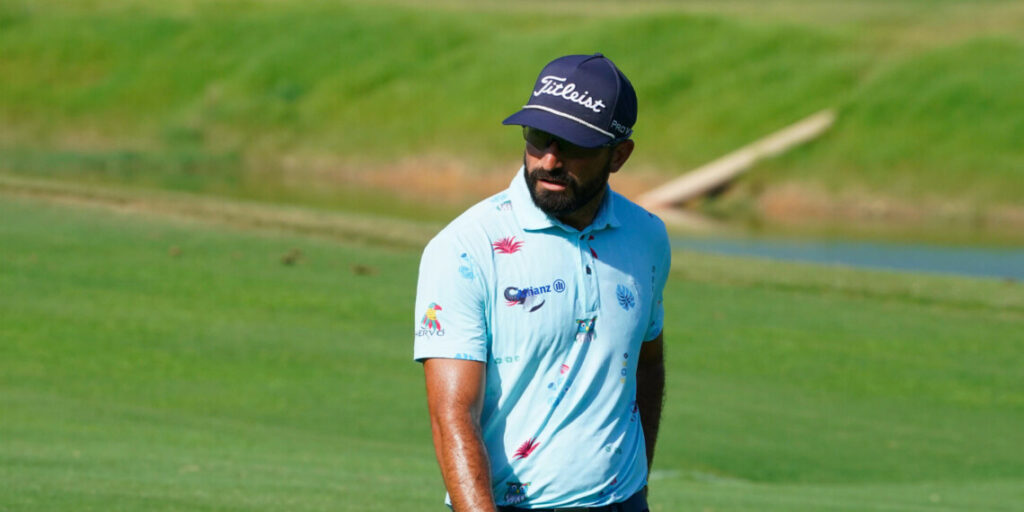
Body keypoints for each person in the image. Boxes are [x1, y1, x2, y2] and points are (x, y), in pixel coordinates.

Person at [413, 53, 670, 512]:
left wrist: (639, 485)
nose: (549, 160)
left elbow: (647, 364)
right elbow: (453, 415)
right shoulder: (465, 247)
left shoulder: (647, 236)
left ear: (619, 155)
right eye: (537, 136)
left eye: (574, 145)